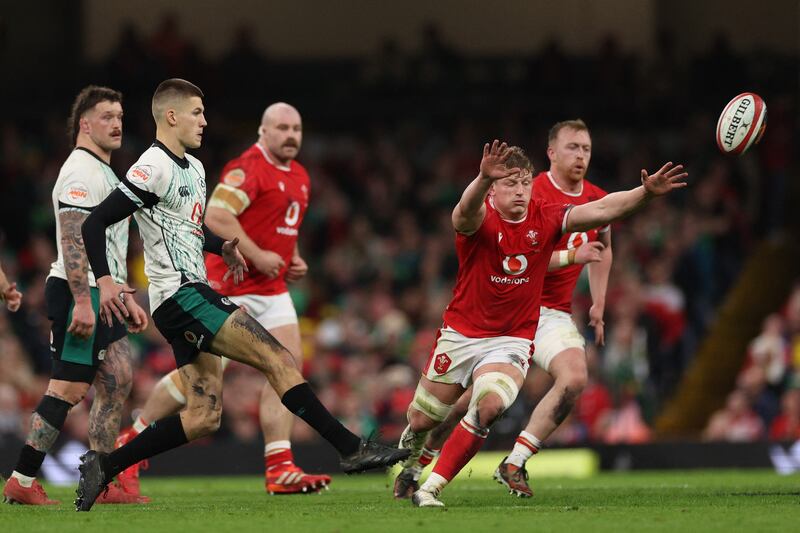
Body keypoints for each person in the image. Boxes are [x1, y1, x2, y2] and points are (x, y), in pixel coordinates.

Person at [75, 78, 409, 512]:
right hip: (182, 297)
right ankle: (351, 447)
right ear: (171, 116)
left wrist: (222, 247)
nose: (204, 121)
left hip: (189, 295)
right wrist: (104, 281)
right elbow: (94, 223)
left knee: (203, 416)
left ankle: (105, 465)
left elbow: (190, 230)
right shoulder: (151, 165)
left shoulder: (192, 169)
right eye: (197, 112)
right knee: (279, 358)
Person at [399, 140, 685, 507]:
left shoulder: (546, 215)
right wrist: (481, 179)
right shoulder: (480, 218)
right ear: (493, 189)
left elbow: (600, 210)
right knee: (423, 419)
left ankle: (431, 488)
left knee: (489, 406)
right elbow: (462, 213)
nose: (519, 191)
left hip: (511, 340)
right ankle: (411, 461)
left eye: (524, 183)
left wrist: (645, 193)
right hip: (461, 335)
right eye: (508, 183)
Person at [114, 102, 330, 496]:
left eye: (296, 128)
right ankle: (134, 434)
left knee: (287, 367)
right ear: (263, 132)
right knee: (200, 380)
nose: (291, 135)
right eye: (282, 127)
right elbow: (215, 217)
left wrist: (291, 254)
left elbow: (283, 224)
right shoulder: (246, 167)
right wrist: (258, 255)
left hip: (273, 288)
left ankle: (280, 465)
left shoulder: (298, 175)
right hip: (230, 284)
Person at [394, 119, 613, 499]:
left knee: (568, 379)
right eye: (573, 147)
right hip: (499, 309)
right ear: (552, 153)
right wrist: (570, 256)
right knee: (449, 407)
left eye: (586, 149)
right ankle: (418, 458)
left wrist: (598, 301)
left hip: (545, 314)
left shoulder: (595, 196)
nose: (580, 155)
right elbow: (521, 252)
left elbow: (604, 243)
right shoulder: (532, 189)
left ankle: (514, 460)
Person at [2, 86, 149, 505]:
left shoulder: (104, 171)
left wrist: (119, 292)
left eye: (119, 115)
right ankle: (22, 481)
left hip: (99, 292)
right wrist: (83, 301)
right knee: (67, 389)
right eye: (106, 116)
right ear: (84, 125)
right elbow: (72, 238)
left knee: (118, 377)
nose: (117, 123)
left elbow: (104, 243)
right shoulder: (79, 171)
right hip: (75, 291)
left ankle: (100, 482)